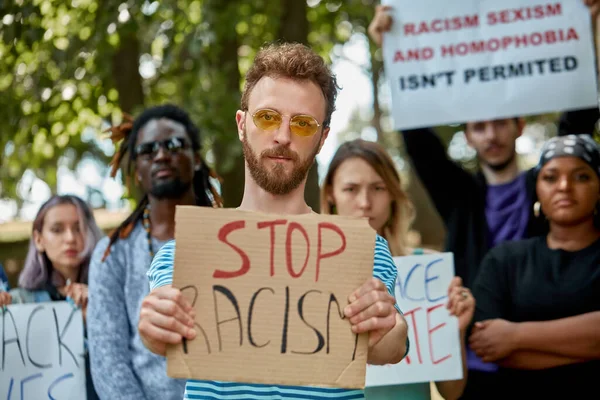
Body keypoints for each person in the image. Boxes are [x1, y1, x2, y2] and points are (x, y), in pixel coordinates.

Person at [138, 42, 409, 400]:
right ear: (242, 123)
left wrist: (386, 324)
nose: (283, 136)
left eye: (302, 123)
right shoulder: (186, 251)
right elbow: (160, 333)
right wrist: (153, 325)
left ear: (323, 137)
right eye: (268, 117)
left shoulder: (363, 248)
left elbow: (393, 343)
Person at [368, 2, 600, 396]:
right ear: (469, 135)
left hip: (546, 355)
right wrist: (395, 54)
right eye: (479, 126)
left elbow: (574, 126)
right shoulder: (459, 196)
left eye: (499, 122)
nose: (490, 135)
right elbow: (419, 142)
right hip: (474, 368)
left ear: (519, 125)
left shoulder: (550, 186)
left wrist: (586, 34)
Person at [321, 139, 474, 400]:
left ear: (393, 193)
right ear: (330, 195)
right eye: (351, 189)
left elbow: (451, 391)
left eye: (377, 188)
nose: (365, 202)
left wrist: (455, 330)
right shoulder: (312, 272)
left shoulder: (430, 269)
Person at [87, 104, 222, 400]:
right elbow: (108, 362)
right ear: (137, 171)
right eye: (147, 150)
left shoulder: (237, 239)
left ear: (196, 159)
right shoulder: (111, 255)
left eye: (173, 144)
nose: (161, 155)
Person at [470, 135, 600, 399]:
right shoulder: (505, 259)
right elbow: (487, 346)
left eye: (581, 176)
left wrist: (516, 335)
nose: (564, 186)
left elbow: (504, 343)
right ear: (537, 188)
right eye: (550, 177)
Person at [0, 194, 103, 399]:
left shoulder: (108, 298)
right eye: (57, 230)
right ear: (39, 240)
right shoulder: (18, 302)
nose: (70, 238)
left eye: (78, 228)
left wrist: (99, 316)